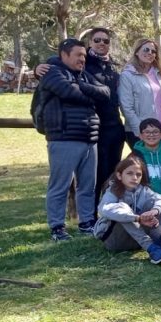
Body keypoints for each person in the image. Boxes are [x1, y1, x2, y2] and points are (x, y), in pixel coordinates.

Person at [40, 38, 110, 241]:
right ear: (64, 55)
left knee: (87, 185)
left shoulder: (82, 75)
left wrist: (80, 85)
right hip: (64, 137)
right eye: (78, 55)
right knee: (60, 185)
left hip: (89, 137)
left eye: (84, 56)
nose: (82, 59)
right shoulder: (51, 71)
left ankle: (86, 222)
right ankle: (57, 227)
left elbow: (105, 92)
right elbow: (68, 92)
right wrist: (88, 93)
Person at [94, 157, 161, 263]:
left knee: (157, 205)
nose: (134, 177)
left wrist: (155, 211)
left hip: (135, 241)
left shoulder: (144, 190)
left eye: (138, 175)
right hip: (115, 241)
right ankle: (152, 248)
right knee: (122, 209)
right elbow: (105, 210)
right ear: (119, 175)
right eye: (129, 173)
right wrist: (137, 218)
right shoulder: (112, 191)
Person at [81, 28, 124, 202]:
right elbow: (59, 60)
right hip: (95, 128)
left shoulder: (114, 67)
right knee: (97, 172)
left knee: (114, 172)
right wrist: (38, 68)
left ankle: (110, 209)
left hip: (115, 126)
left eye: (105, 41)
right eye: (97, 40)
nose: (101, 44)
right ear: (90, 42)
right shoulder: (84, 64)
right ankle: (91, 215)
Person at [119, 37, 161, 146]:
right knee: (143, 163)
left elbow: (159, 99)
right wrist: (140, 130)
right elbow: (126, 108)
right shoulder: (127, 75)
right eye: (146, 50)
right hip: (142, 132)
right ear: (137, 52)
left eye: (153, 51)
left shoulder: (157, 74)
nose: (150, 53)